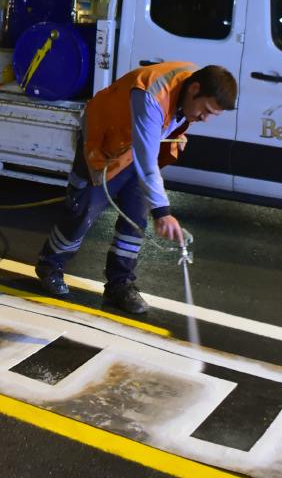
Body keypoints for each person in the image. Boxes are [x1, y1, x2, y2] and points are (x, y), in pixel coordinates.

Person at [35, 63, 238, 314]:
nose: (204, 119)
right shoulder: (151, 95)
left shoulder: (194, 85)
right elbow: (146, 160)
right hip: (104, 143)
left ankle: (120, 283)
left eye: (212, 115)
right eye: (205, 111)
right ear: (194, 89)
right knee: (82, 211)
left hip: (137, 149)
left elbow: (147, 151)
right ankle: (50, 264)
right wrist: (162, 212)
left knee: (135, 219)